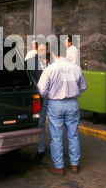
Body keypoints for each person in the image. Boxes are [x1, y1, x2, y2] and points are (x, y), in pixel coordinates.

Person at [37, 41, 87, 176]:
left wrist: (52, 93)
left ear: (52, 53)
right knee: (74, 136)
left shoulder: (49, 69)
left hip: (55, 105)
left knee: (56, 137)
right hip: (73, 104)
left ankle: (59, 167)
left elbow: (42, 91)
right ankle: (74, 165)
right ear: (65, 52)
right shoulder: (76, 68)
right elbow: (83, 87)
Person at [26, 40, 49, 160]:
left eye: (44, 49)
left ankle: (56, 149)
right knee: (40, 124)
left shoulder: (53, 62)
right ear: (36, 50)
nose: (42, 52)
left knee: (57, 124)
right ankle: (41, 150)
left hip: (55, 97)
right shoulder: (29, 63)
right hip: (40, 98)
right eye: (40, 50)